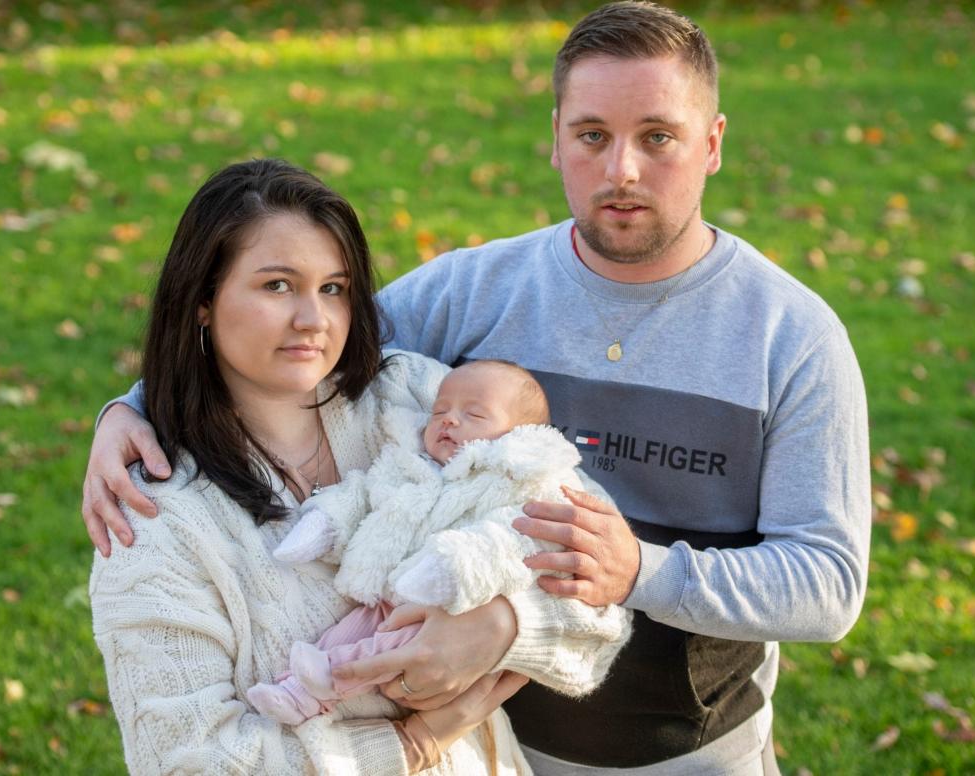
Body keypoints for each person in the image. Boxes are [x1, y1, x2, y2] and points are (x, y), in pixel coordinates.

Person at [84, 2, 871, 773]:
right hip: (493, 740)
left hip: (689, 754)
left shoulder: (790, 337)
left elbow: (827, 584)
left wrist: (639, 572)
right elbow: (300, 348)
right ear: (555, 143)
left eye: (657, 137)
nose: (621, 169)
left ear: (712, 143)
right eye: (591, 135)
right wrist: (132, 408)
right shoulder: (473, 292)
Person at [88, 158, 630, 775]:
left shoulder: (420, 400)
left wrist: (504, 625)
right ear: (202, 301)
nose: (313, 320)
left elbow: (597, 582)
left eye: (333, 288)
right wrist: (413, 744)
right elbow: (186, 761)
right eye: (276, 286)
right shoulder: (153, 520)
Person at [247, 360, 631, 726]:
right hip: (388, 593)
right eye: (439, 411)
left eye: (474, 415)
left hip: (453, 609)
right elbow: (364, 494)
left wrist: (451, 567)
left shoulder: (516, 481)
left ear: (519, 436)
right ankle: (296, 693)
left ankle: (330, 680)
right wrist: (326, 523)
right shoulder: (411, 463)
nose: (449, 419)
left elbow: (510, 536)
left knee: (386, 648)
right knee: (344, 632)